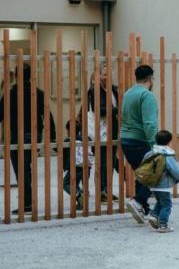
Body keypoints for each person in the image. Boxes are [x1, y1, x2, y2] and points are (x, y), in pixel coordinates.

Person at [0, 63, 55, 215]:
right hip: (34, 136)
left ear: (17, 75)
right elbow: (48, 116)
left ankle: (27, 203)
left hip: (17, 137)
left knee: (21, 170)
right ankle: (28, 202)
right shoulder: (38, 93)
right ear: (31, 76)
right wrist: (53, 139)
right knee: (26, 168)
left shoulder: (11, 94)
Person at [120, 64, 158, 223]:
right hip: (140, 140)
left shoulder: (128, 93)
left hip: (126, 141)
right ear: (150, 79)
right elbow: (149, 123)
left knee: (142, 173)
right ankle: (138, 201)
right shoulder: (146, 95)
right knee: (154, 172)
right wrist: (155, 145)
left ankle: (143, 209)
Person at [77, 67, 120, 202]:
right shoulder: (94, 90)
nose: (107, 76)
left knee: (110, 162)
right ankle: (100, 191)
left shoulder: (113, 89)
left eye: (109, 73)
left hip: (111, 131)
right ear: (99, 76)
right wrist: (117, 109)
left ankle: (105, 190)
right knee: (102, 162)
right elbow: (99, 110)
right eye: (104, 74)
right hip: (99, 132)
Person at [144, 130, 179, 233]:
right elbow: (174, 170)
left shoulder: (150, 153)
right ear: (168, 142)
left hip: (152, 184)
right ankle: (163, 225)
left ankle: (153, 216)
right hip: (163, 185)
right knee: (167, 205)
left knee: (160, 202)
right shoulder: (167, 155)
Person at [61, 121, 94, 211]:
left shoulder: (68, 140)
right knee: (76, 184)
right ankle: (81, 202)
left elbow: (63, 153)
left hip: (74, 167)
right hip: (86, 166)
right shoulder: (88, 139)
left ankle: (80, 196)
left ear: (68, 130)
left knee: (66, 184)